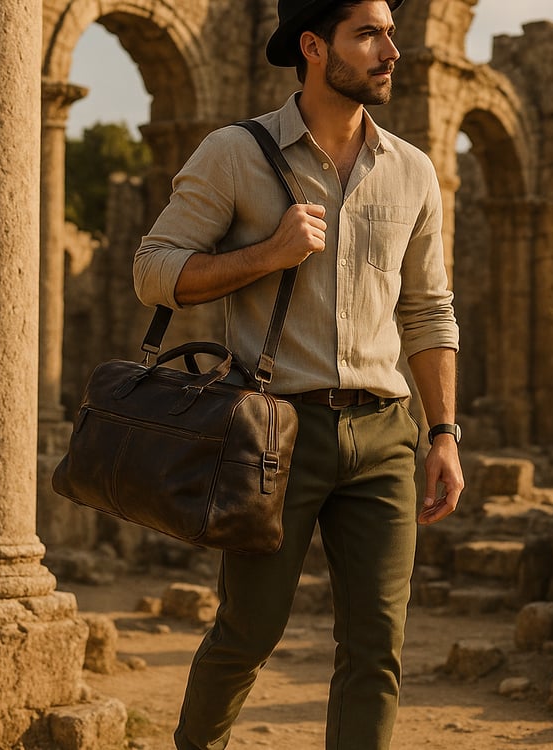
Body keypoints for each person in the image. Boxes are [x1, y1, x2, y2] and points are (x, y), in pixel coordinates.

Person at [133, 1, 464, 747]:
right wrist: (264, 256)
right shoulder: (235, 153)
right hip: (274, 435)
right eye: (369, 35)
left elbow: (429, 312)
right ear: (314, 47)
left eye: (391, 32)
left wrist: (443, 432)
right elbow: (151, 271)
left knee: (377, 650)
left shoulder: (412, 170)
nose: (392, 51)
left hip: (386, 436)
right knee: (248, 633)